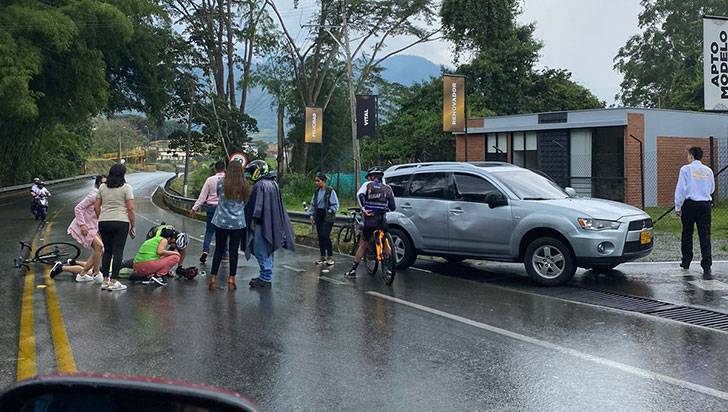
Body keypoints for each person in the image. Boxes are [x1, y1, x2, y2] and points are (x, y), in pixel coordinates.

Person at [244, 160, 295, 288]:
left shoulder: (260, 185)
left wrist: (251, 220)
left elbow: (256, 208)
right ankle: (265, 275)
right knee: (267, 249)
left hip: (261, 223)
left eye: (251, 172)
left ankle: (265, 277)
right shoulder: (273, 183)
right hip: (272, 222)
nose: (250, 176)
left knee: (260, 249)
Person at [50, 175, 107, 282]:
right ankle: (88, 273)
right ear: (98, 184)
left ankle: (82, 272)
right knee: (99, 247)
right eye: (102, 183)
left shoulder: (102, 196)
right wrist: (82, 225)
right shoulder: (94, 195)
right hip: (85, 227)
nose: (104, 185)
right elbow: (78, 208)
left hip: (93, 227)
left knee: (100, 250)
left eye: (106, 183)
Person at [345, 167, 396, 278]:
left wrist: (364, 209)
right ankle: (390, 263)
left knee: (363, 244)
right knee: (385, 239)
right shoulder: (388, 188)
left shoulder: (368, 185)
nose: (368, 179)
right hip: (382, 219)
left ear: (372, 177)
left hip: (370, 219)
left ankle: (353, 270)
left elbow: (359, 195)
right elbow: (393, 207)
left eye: (369, 177)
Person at [209, 160, 250, 291]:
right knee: (233, 252)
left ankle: (213, 277)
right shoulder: (244, 185)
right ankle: (232, 278)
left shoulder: (221, 183)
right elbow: (246, 201)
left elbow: (217, 195)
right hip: (237, 223)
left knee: (219, 249)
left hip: (221, 221)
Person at [675, 146, 715, 280]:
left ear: (691, 156)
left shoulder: (685, 169)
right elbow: (711, 188)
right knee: (705, 234)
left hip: (690, 204)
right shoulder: (708, 170)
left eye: (688, 155)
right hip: (705, 205)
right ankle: (707, 264)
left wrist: (678, 206)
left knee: (687, 233)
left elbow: (681, 189)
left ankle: (686, 261)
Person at [95, 163, 136, 291]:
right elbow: (130, 208)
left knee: (107, 251)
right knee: (118, 251)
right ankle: (114, 281)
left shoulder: (102, 187)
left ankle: (105, 281)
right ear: (122, 174)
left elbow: (96, 207)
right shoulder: (126, 188)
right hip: (120, 222)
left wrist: (101, 218)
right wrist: (133, 225)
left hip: (104, 221)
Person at [190, 161, 226, 263]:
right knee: (224, 231)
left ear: (215, 169)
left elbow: (202, 196)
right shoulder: (228, 180)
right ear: (224, 168)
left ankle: (205, 250)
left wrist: (194, 208)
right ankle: (225, 254)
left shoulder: (210, 180)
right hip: (223, 209)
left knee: (209, 231)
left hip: (211, 208)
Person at [307, 172, 339, 266]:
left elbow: (335, 204)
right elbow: (313, 204)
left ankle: (330, 257)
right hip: (319, 214)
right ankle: (322, 256)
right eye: (316, 181)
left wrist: (330, 211)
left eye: (318, 181)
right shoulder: (316, 192)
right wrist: (311, 215)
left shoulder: (330, 191)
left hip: (328, 216)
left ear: (323, 181)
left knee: (325, 235)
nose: (316, 182)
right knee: (320, 236)